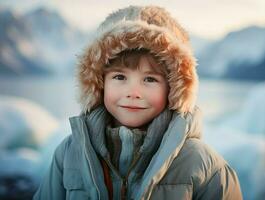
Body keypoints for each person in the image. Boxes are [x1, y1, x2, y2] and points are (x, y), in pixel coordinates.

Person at [33, 5, 242, 200]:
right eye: (120, 77)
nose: (133, 92)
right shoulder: (70, 153)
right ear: (98, 82)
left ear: (174, 88)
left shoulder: (203, 165)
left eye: (150, 79)